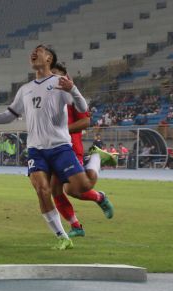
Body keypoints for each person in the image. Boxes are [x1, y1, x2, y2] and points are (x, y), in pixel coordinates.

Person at [0, 45, 115, 250]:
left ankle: (96, 158)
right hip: (37, 150)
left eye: (39, 50)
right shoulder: (25, 90)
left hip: (61, 147)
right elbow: (8, 115)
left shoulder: (59, 83)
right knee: (42, 190)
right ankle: (62, 236)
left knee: (82, 188)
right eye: (32, 51)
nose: (33, 53)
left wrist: (73, 90)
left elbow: (83, 109)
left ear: (49, 58)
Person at [49, 62, 114, 238]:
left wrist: (62, 131)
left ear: (66, 77)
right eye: (50, 75)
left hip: (70, 148)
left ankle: (96, 159)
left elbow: (86, 122)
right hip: (51, 150)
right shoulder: (46, 99)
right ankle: (76, 226)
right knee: (55, 189)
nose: (53, 79)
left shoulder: (71, 98)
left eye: (56, 75)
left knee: (75, 190)